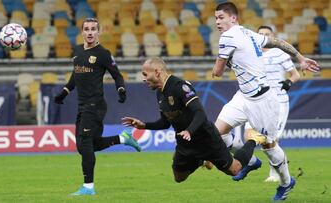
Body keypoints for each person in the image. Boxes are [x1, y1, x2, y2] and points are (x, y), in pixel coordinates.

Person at [212, 2, 319, 201]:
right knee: (217, 133)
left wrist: (226, 64)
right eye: (216, 18)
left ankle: (287, 183)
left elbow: (217, 72)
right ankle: (251, 162)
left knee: (268, 146)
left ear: (233, 18)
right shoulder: (249, 34)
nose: (217, 22)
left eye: (221, 17)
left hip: (263, 100)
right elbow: (278, 42)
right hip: (243, 96)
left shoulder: (227, 37)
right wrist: (301, 58)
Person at [122, 57, 266, 184]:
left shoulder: (180, 87)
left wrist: (189, 130)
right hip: (186, 143)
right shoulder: (160, 93)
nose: (143, 79)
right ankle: (201, 160)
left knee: (234, 170)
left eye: (145, 74)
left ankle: (253, 140)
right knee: (179, 177)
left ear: (157, 72)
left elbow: (200, 113)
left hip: (207, 139)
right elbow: (165, 122)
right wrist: (144, 125)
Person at [54, 17, 141, 196]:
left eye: (94, 29)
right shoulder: (77, 52)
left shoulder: (103, 53)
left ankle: (88, 187)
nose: (90, 32)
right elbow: (75, 77)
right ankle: (122, 139)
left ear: (99, 32)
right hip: (82, 105)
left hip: (95, 105)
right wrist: (64, 92)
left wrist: (121, 89)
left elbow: (117, 75)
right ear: (82, 32)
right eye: (87, 29)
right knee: (84, 146)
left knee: (85, 142)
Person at [243, 25, 300, 183]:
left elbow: (295, 74)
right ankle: (251, 162)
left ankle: (276, 173)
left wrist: (288, 82)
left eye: (266, 34)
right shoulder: (251, 53)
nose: (263, 36)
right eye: (260, 34)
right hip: (258, 101)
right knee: (248, 134)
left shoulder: (279, 53)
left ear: (272, 37)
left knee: (272, 139)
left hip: (278, 102)